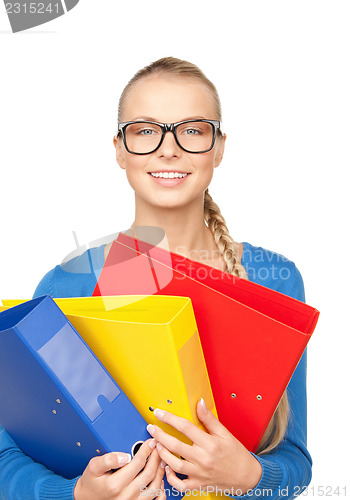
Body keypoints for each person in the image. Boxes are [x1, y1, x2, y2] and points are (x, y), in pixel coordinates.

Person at [0, 57, 312, 500]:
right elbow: (6, 456)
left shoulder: (275, 282)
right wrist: (73, 495)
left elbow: (296, 461)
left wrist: (250, 477)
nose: (169, 149)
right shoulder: (67, 285)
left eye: (192, 129)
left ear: (219, 147)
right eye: (145, 131)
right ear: (119, 149)